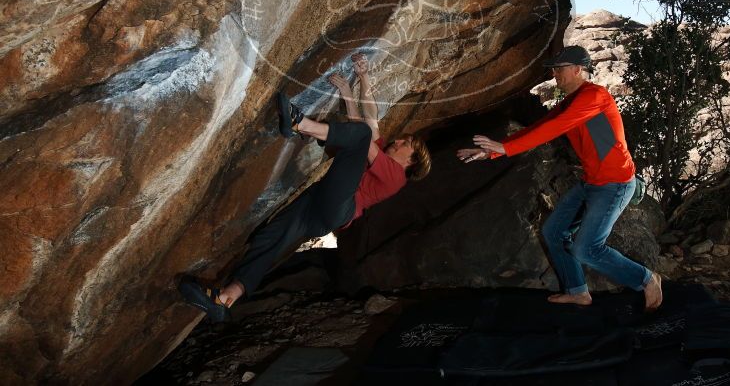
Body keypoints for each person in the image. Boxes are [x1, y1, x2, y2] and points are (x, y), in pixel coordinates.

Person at [180, 53, 432, 322]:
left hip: (340, 208)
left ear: (411, 160)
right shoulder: (381, 154)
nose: (399, 141)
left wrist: (354, 95)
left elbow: (364, 134)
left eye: (406, 143)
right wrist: (358, 79)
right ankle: (224, 299)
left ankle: (299, 123)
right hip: (320, 208)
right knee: (270, 239)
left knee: (361, 137)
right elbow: (370, 118)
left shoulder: (397, 177)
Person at [457, 45, 663, 310]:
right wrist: (494, 152)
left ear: (578, 70)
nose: (555, 74)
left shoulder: (595, 96)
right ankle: (578, 291)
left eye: (559, 68)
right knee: (554, 232)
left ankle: (647, 279)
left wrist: (505, 149)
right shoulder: (572, 102)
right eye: (554, 69)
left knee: (586, 248)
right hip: (592, 182)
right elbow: (540, 127)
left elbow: (554, 128)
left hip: (614, 184)